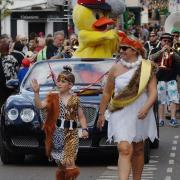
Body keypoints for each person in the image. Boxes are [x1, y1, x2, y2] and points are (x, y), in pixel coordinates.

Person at [97, 35, 158, 180]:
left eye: (125, 48)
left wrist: (146, 107)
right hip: (120, 111)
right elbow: (107, 92)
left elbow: (153, 91)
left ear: (135, 50)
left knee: (138, 149)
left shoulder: (147, 66)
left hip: (140, 110)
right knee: (124, 149)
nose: (121, 51)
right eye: (120, 48)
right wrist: (101, 113)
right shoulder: (115, 68)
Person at [31, 66, 88, 180]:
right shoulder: (52, 98)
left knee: (70, 162)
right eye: (58, 81)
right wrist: (36, 93)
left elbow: (81, 117)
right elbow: (40, 106)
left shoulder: (75, 100)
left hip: (72, 134)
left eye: (63, 81)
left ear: (70, 85)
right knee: (62, 165)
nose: (59, 83)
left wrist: (85, 129)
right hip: (57, 135)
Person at [150, 33, 180, 127]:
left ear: (171, 42)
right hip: (160, 79)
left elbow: (179, 59)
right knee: (161, 100)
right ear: (161, 41)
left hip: (171, 79)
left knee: (173, 99)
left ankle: (173, 119)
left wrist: (171, 51)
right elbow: (151, 58)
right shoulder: (156, 50)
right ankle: (161, 119)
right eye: (164, 41)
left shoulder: (174, 51)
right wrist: (161, 51)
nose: (166, 42)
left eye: (168, 41)